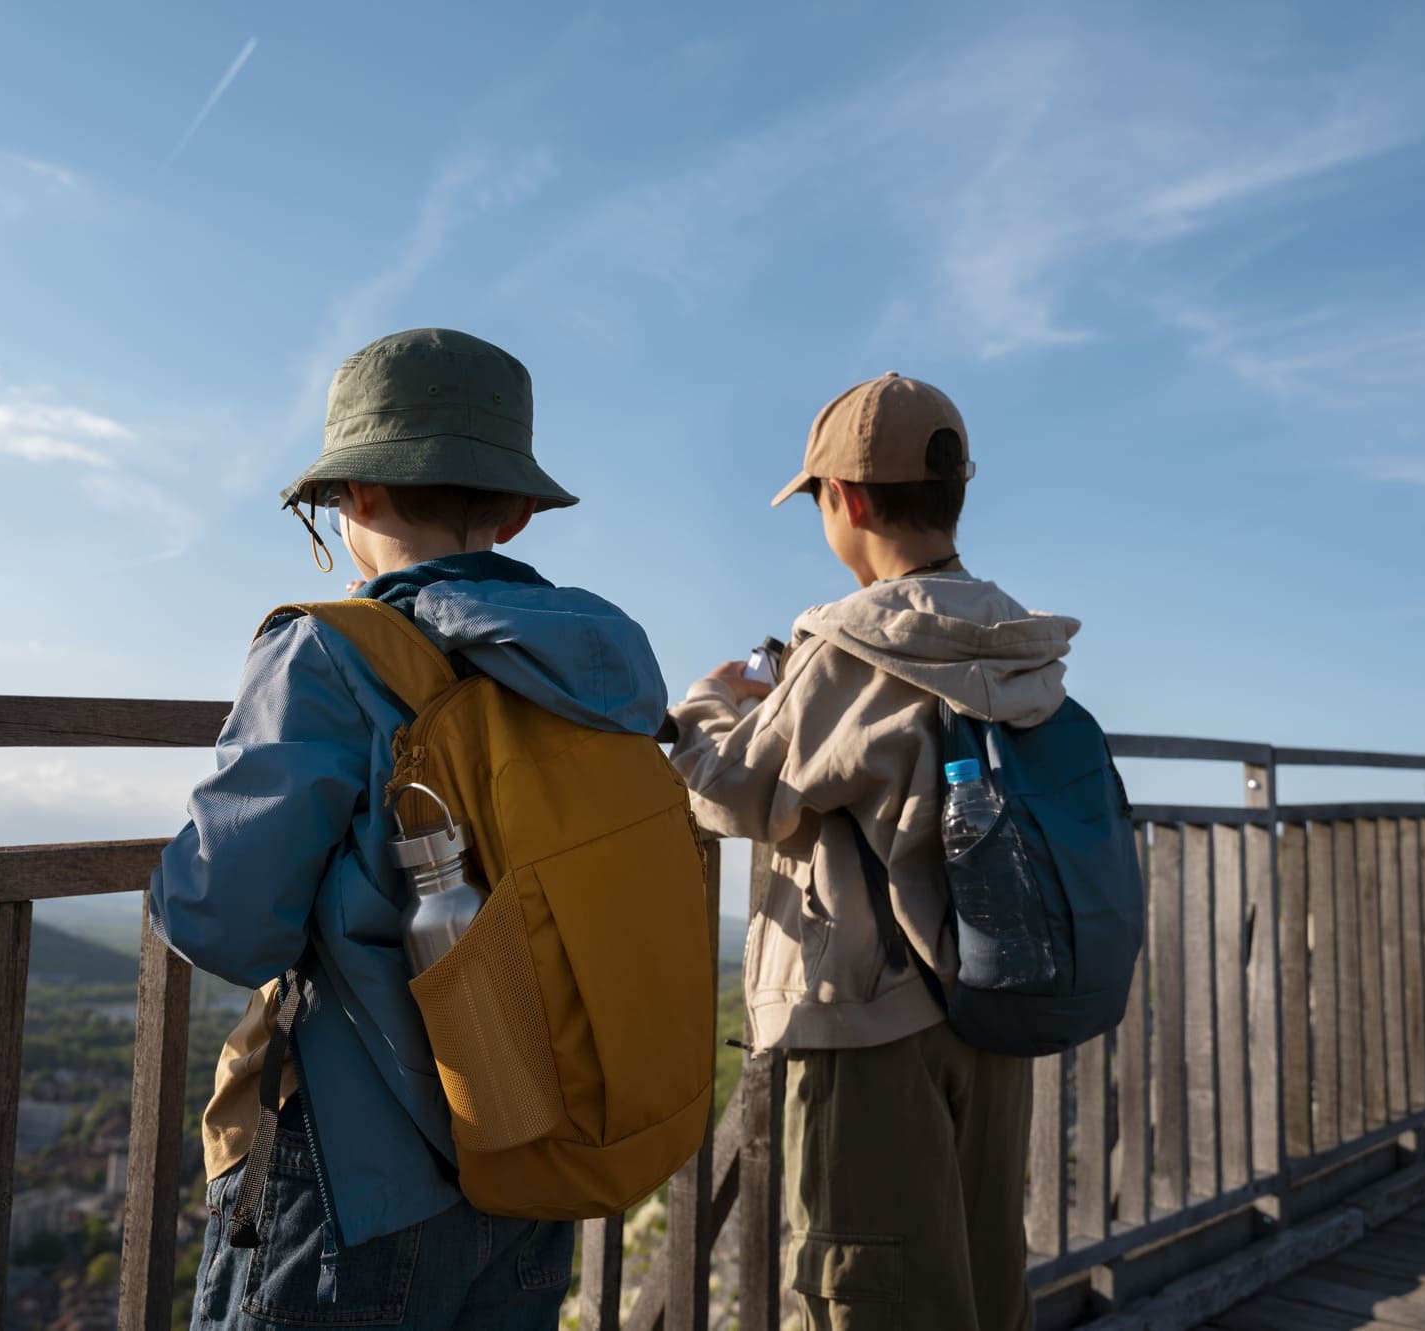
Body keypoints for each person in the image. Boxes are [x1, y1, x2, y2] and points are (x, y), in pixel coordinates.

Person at [150, 328, 670, 1331]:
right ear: (517, 512)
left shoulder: (329, 652)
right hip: (540, 1149)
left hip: (361, 1178)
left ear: (355, 493)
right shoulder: (600, 665)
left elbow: (223, 919)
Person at [667, 372, 1080, 1330]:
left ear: (846, 501)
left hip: (869, 1022)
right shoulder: (1016, 643)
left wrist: (709, 700)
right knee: (983, 1282)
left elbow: (731, 789)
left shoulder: (851, 646)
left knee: (868, 1289)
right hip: (992, 995)